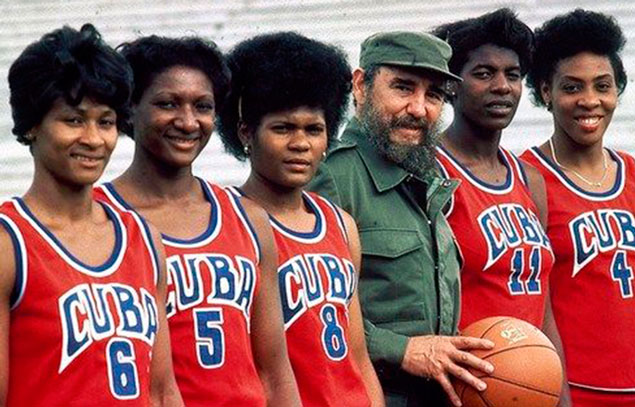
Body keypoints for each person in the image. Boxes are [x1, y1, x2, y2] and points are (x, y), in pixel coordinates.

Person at [93, 35, 300, 406]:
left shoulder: (248, 218)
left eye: (202, 106)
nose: (188, 122)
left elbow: (274, 368)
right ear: (130, 109)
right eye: (167, 103)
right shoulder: (98, 220)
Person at [309, 31, 495, 407]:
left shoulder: (426, 178)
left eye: (434, 95)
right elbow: (305, 312)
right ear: (360, 86)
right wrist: (402, 350)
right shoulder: (330, 176)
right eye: (403, 88)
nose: (419, 108)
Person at [0, 24, 182, 406]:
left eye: (106, 122)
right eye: (74, 120)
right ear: (33, 125)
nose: (94, 139)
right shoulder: (9, 245)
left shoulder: (143, 239)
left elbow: (163, 392)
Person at [217, 31, 384, 407]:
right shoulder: (229, 224)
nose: (300, 143)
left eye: (314, 129)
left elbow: (357, 356)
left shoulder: (340, 224)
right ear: (246, 131)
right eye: (283, 128)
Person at [430, 10, 571, 405]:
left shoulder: (530, 180)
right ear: (452, 85)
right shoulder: (430, 170)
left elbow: (543, 304)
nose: (502, 87)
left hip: (532, 386)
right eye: (483, 73)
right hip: (467, 387)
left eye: (512, 75)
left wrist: (561, 395)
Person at [520, 9, 635, 407]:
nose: (590, 101)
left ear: (618, 90)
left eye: (603, 86)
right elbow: (531, 297)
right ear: (545, 91)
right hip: (574, 391)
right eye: (572, 87)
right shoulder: (528, 177)